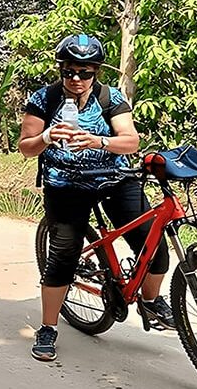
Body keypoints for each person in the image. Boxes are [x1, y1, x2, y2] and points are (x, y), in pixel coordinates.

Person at [17, 34, 173, 362]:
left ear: (95, 73)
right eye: (70, 71)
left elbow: (130, 142)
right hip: (65, 186)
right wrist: (45, 136)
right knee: (62, 259)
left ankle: (150, 302)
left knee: (154, 248)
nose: (76, 79)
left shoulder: (109, 97)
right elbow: (26, 147)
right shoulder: (44, 99)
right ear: (61, 70)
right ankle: (48, 327)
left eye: (85, 72)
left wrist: (98, 142)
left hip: (114, 180)